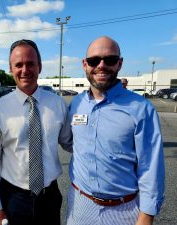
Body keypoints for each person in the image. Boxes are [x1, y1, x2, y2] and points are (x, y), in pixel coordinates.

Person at [65, 36, 165, 225]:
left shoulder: (141, 109)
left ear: (119, 63)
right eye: (94, 60)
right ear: (84, 64)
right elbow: (70, 142)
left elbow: (151, 167)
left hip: (123, 211)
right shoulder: (76, 104)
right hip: (79, 204)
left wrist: (146, 216)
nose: (101, 66)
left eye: (109, 60)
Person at [0, 39, 72, 225]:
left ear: (39, 66)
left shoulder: (58, 104)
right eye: (18, 65)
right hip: (13, 199)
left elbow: (70, 142)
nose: (24, 70)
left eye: (30, 63)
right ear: (10, 68)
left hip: (50, 198)